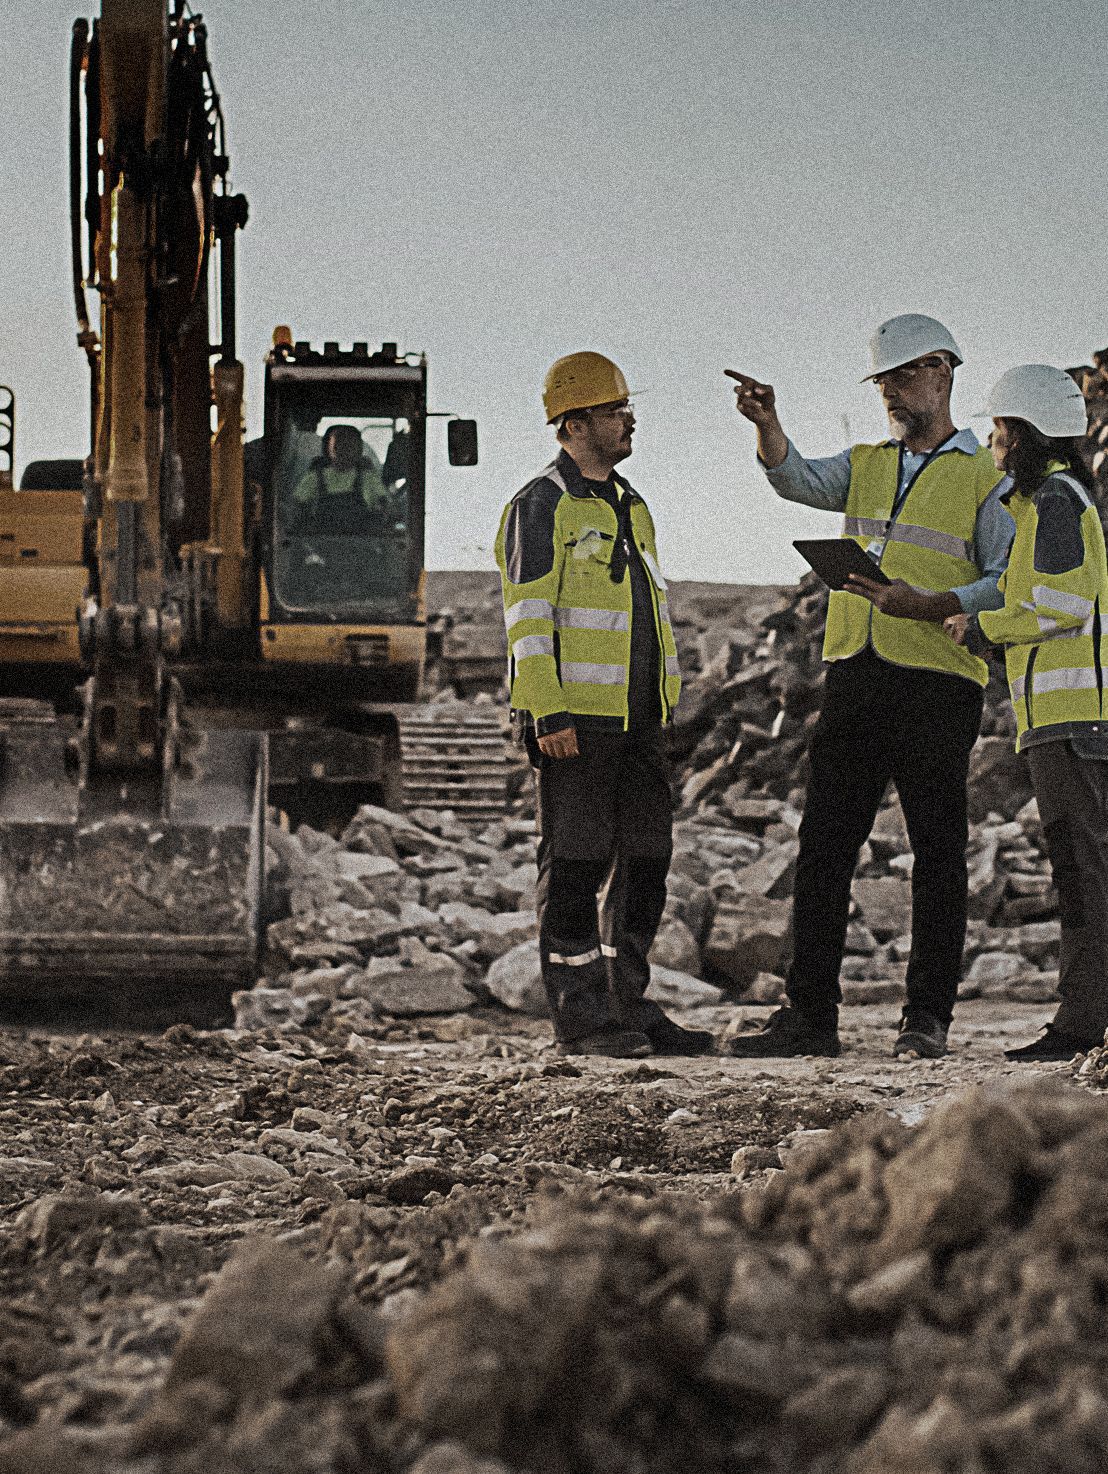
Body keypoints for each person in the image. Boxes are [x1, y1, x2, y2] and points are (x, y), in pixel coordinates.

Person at [725, 313, 1014, 1059]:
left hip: (938, 682)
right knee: (824, 845)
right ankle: (809, 1019)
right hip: (856, 672)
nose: (889, 391)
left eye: (902, 376)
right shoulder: (866, 462)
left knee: (937, 853)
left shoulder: (987, 475)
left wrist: (935, 604)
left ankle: (926, 1022)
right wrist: (768, 422)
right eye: (882, 379)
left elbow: (1003, 578)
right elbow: (794, 479)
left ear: (943, 373)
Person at [494, 351, 711, 1058]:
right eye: (617, 410)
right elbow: (528, 615)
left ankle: (629, 1004)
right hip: (576, 722)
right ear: (576, 423)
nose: (630, 420)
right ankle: (584, 1021)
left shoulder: (631, 504)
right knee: (578, 862)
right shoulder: (541, 505)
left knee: (648, 858)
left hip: (640, 719)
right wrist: (545, 709)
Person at [945, 364, 1108, 1062]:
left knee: (1082, 873)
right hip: (1066, 721)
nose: (991, 442)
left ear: (1023, 433)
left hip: (1073, 723)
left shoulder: (1056, 505)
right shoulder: (1054, 504)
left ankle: (1081, 1025)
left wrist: (982, 629)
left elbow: (1063, 606)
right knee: (1086, 869)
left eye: (998, 429)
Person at [292, 424, 390, 533]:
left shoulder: (369, 479)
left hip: (364, 541)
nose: (344, 452)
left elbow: (387, 506)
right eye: (338, 447)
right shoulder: (313, 477)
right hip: (318, 542)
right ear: (328, 450)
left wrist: (382, 516)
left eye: (350, 447)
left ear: (359, 450)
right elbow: (295, 506)